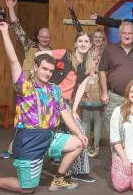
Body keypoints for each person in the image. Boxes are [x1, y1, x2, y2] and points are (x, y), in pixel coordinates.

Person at [0, 22, 87, 193]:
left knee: (79, 143)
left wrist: (78, 132)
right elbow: (12, 60)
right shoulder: (24, 86)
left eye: (50, 70)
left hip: (49, 136)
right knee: (27, 189)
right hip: (29, 140)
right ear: (35, 68)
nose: (48, 73)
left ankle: (59, 179)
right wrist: (4, 32)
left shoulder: (54, 89)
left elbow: (64, 112)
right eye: (44, 69)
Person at [36, 31, 95, 182]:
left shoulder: (89, 64)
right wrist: (42, 83)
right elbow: (39, 56)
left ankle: (72, 171)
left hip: (66, 104)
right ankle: (74, 171)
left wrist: (74, 109)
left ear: (90, 45)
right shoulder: (63, 54)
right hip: (51, 99)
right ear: (75, 44)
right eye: (80, 41)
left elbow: (81, 87)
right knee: (78, 132)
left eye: (86, 41)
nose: (83, 44)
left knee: (73, 132)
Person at [0, 0, 53, 160]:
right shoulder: (30, 46)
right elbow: (16, 26)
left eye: (47, 36)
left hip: (43, 92)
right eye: (42, 36)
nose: (44, 38)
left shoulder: (52, 52)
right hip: (27, 89)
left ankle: (46, 150)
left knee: (43, 121)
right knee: (23, 121)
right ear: (38, 37)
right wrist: (10, 8)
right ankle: (12, 148)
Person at [99, 21, 133, 134]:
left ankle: (128, 151)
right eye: (124, 33)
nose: (127, 36)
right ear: (119, 34)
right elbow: (102, 71)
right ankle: (116, 151)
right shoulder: (109, 50)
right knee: (112, 128)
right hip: (113, 96)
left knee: (132, 129)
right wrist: (104, 92)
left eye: (130, 33)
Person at [73, 29, 107, 158]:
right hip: (86, 88)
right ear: (92, 39)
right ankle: (85, 145)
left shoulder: (106, 53)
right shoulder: (86, 52)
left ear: (103, 40)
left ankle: (96, 146)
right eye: (95, 37)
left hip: (99, 88)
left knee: (98, 118)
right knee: (86, 118)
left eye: (100, 38)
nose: (98, 40)